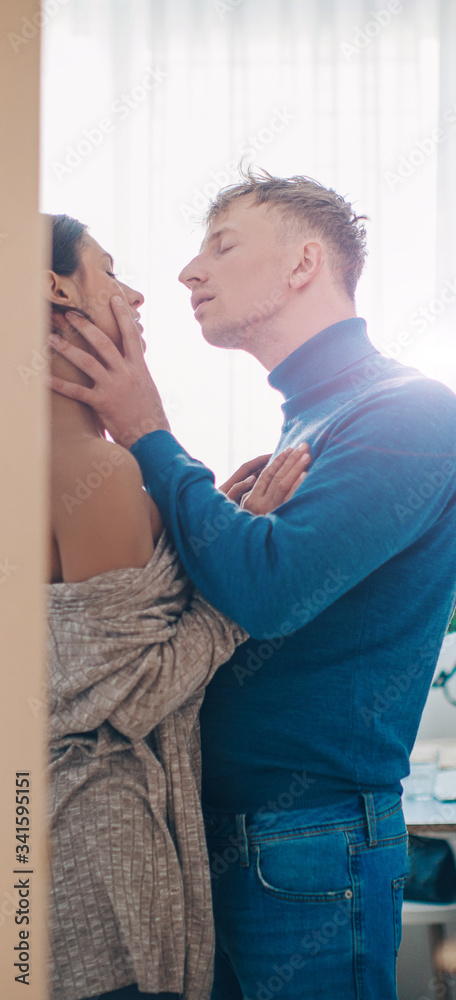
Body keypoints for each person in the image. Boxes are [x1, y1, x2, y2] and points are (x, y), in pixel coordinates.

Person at [48, 172, 456, 1000]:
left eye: (223, 244)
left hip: (306, 840)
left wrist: (147, 432)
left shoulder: (407, 412)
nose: (186, 273)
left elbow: (269, 594)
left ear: (303, 264)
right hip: (224, 830)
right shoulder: (311, 418)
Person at [45, 214, 308, 1000]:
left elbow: (101, 642)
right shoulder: (96, 469)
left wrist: (213, 525)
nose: (134, 294)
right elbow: (133, 691)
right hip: (103, 836)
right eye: (108, 272)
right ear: (53, 289)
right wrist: (248, 562)